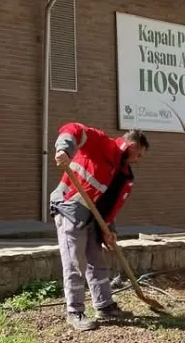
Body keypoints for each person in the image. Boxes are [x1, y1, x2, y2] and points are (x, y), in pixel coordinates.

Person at [51, 124, 149, 331]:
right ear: (131, 145)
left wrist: (109, 229)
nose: (138, 160)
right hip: (70, 206)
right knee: (75, 262)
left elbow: (108, 204)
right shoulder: (103, 145)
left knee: (97, 261)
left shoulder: (121, 172)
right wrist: (63, 149)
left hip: (92, 216)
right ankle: (75, 312)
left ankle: (104, 306)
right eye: (138, 154)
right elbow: (73, 128)